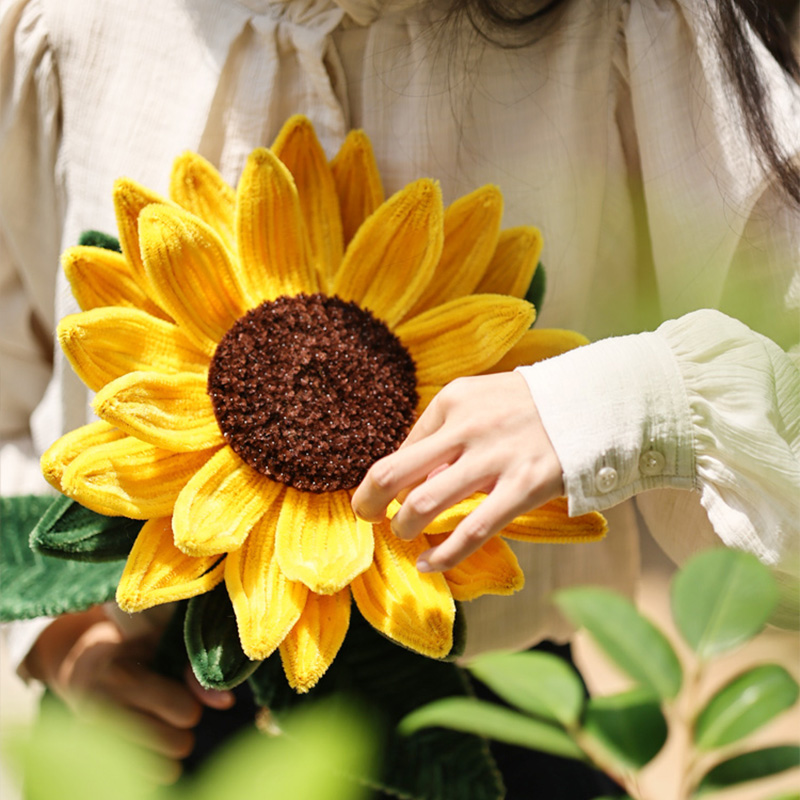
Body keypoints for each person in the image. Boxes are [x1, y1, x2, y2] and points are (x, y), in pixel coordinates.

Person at [1, 0, 798, 790]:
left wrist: (623, 403)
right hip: (140, 722)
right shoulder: (77, 22)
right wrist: (61, 639)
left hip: (494, 723)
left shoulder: (630, 25)